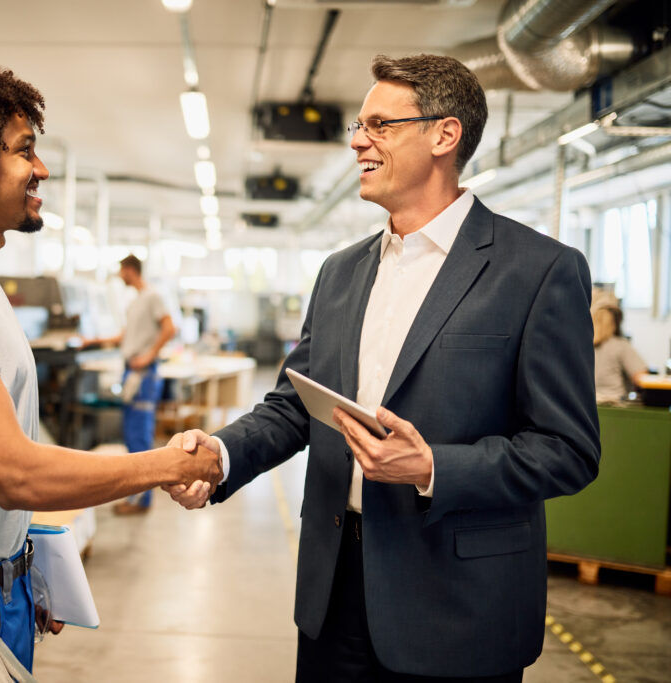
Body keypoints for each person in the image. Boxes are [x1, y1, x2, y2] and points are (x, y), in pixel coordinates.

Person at [168, 53, 600, 682]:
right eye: (359, 125)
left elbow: (568, 449)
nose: (356, 141)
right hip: (334, 592)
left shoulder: (538, 271)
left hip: (458, 604)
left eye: (380, 125)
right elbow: (297, 404)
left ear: (443, 135)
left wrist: (432, 467)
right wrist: (220, 454)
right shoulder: (341, 271)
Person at [0, 56, 221, 682]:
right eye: (26, 151)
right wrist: (168, 465)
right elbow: (11, 471)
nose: (42, 169)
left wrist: (23, 573)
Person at [82, 254, 177, 514]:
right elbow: (126, 336)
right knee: (132, 437)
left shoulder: (152, 296)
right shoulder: (136, 302)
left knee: (139, 438)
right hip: (131, 372)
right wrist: (92, 342)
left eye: (122, 271)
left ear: (130, 270)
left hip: (143, 374)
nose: (120, 276)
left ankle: (141, 501)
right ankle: (137, 498)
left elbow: (170, 328)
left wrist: (148, 355)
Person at [591, 289, 648, 403]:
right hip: (615, 407)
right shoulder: (620, 345)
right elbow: (642, 379)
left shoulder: (581, 347)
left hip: (588, 407)